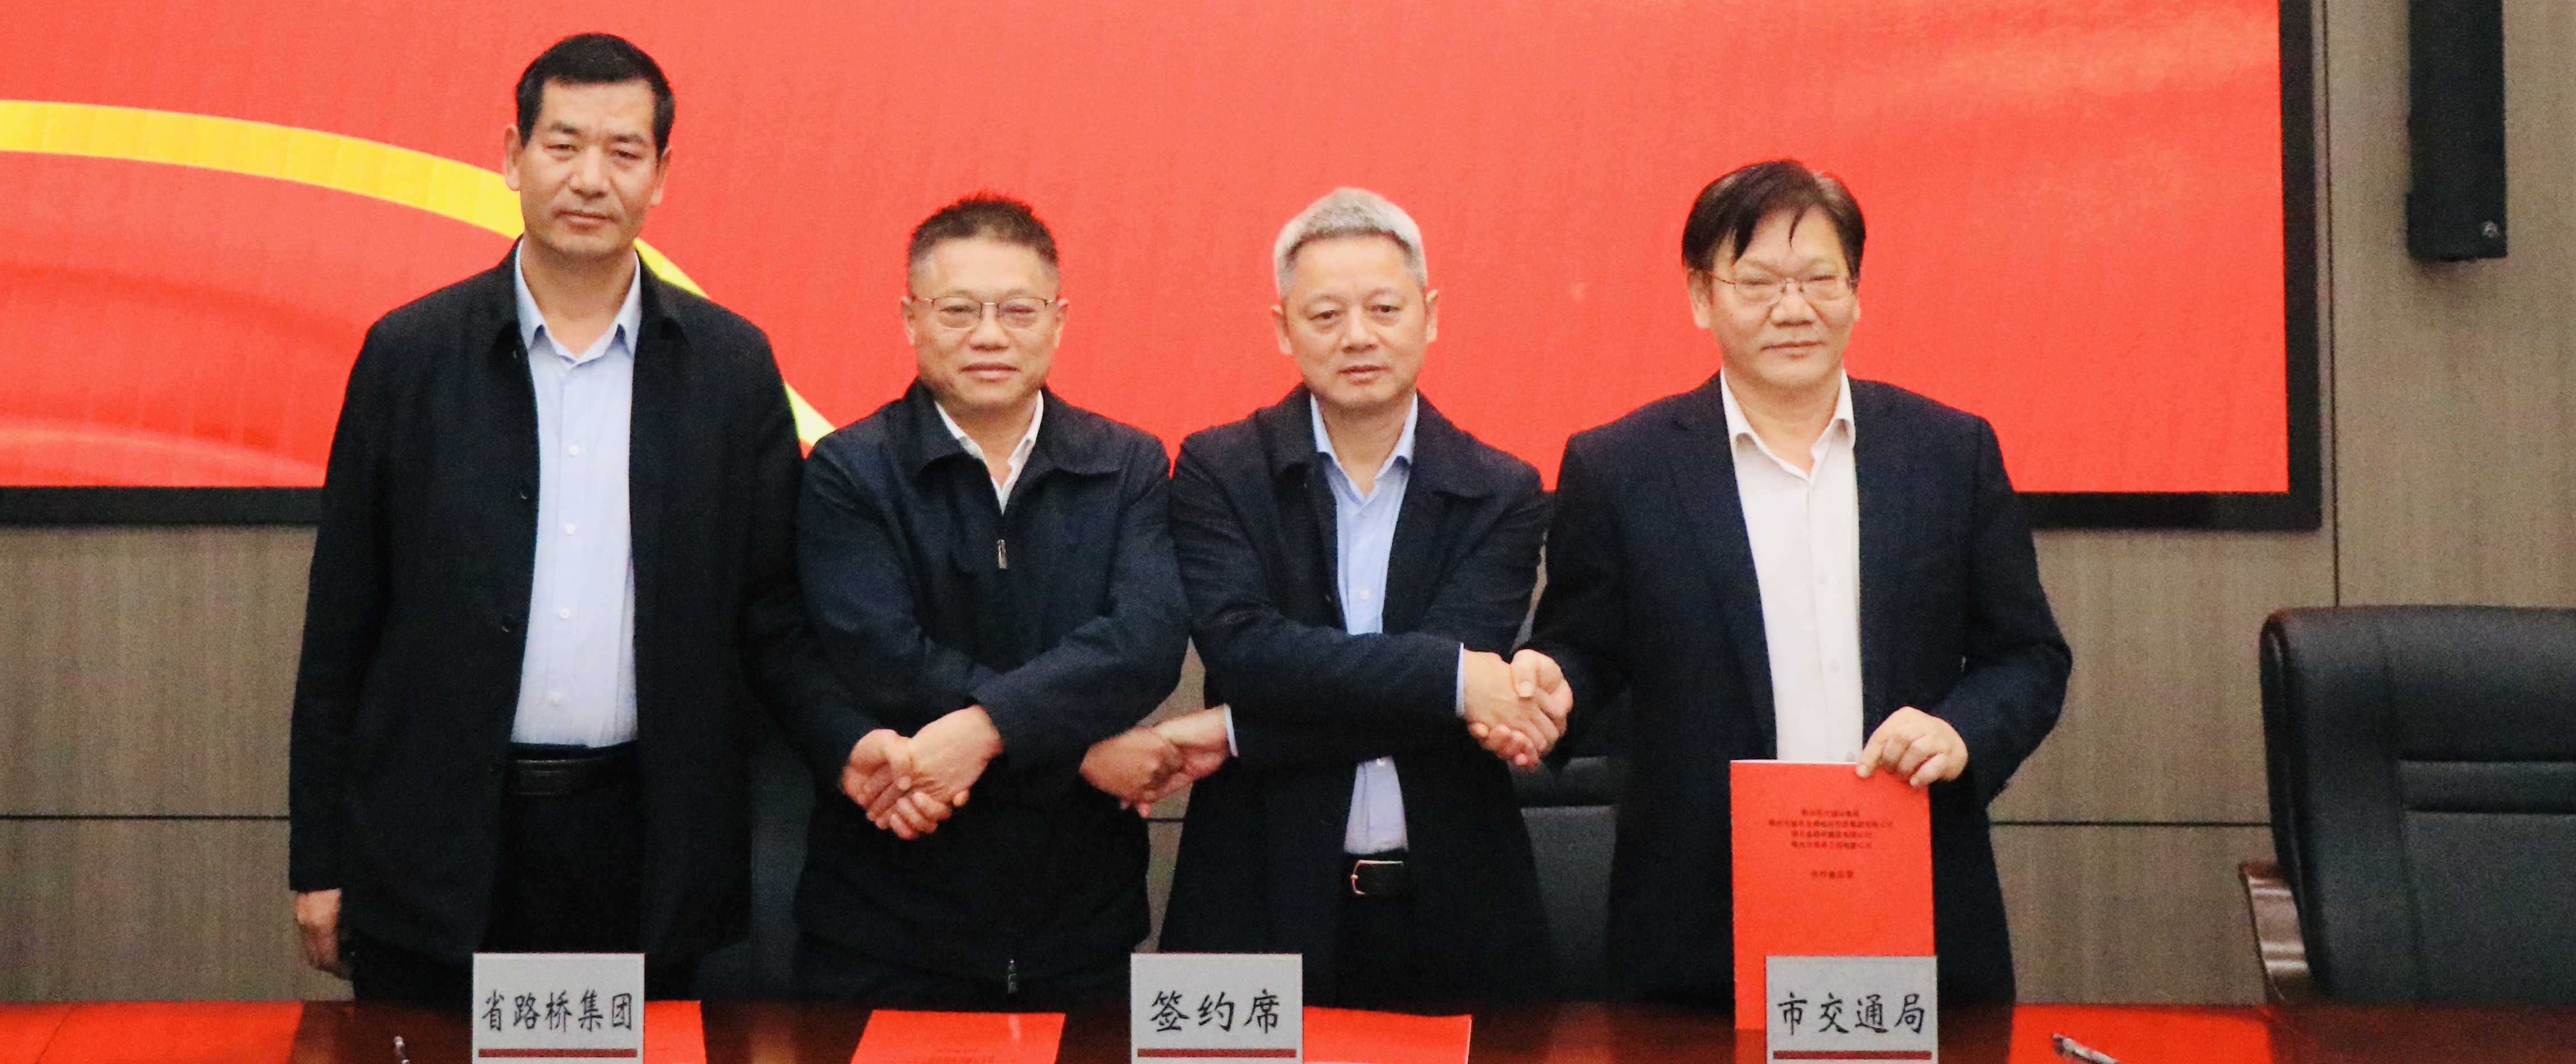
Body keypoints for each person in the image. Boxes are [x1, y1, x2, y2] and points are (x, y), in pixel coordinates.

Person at [288, 33, 851, 1006]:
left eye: (624, 151)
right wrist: (319, 857)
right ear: (513, 156)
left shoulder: (729, 367)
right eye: (563, 145)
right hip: (437, 846)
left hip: (642, 845)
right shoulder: (410, 355)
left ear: (660, 175)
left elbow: (770, 616)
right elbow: (343, 622)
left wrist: (856, 746)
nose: (591, 178)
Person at [1509, 160, 2070, 1006]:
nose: (1793, 308)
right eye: (1759, 282)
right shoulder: (1620, 467)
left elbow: (2027, 655)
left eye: (1818, 279)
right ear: (1701, 296)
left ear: (1856, 291)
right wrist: (1553, 684)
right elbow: (1586, 651)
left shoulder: (1949, 452)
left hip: (1915, 894)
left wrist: (1960, 730)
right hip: (1698, 919)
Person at [1160, 189, 1559, 1006]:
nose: (1357, 336)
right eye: (1325, 314)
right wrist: (1453, 678)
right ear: (1283, 328)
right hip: (1253, 893)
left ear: (1429, 314)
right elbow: (1249, 654)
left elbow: (1435, 705)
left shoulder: (1501, 489)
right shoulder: (1218, 469)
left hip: (1458, 904)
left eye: (1384, 308)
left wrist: (1236, 732)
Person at [791, 194, 1190, 1007]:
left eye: (1017, 310)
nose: (988, 335)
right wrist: (1075, 750)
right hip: (886, 923)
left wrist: (981, 731)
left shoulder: (1127, 465)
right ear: (910, 318)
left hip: (1082, 927)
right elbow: (882, 656)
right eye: (958, 310)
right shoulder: (849, 468)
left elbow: (1143, 642)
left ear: (1058, 320)